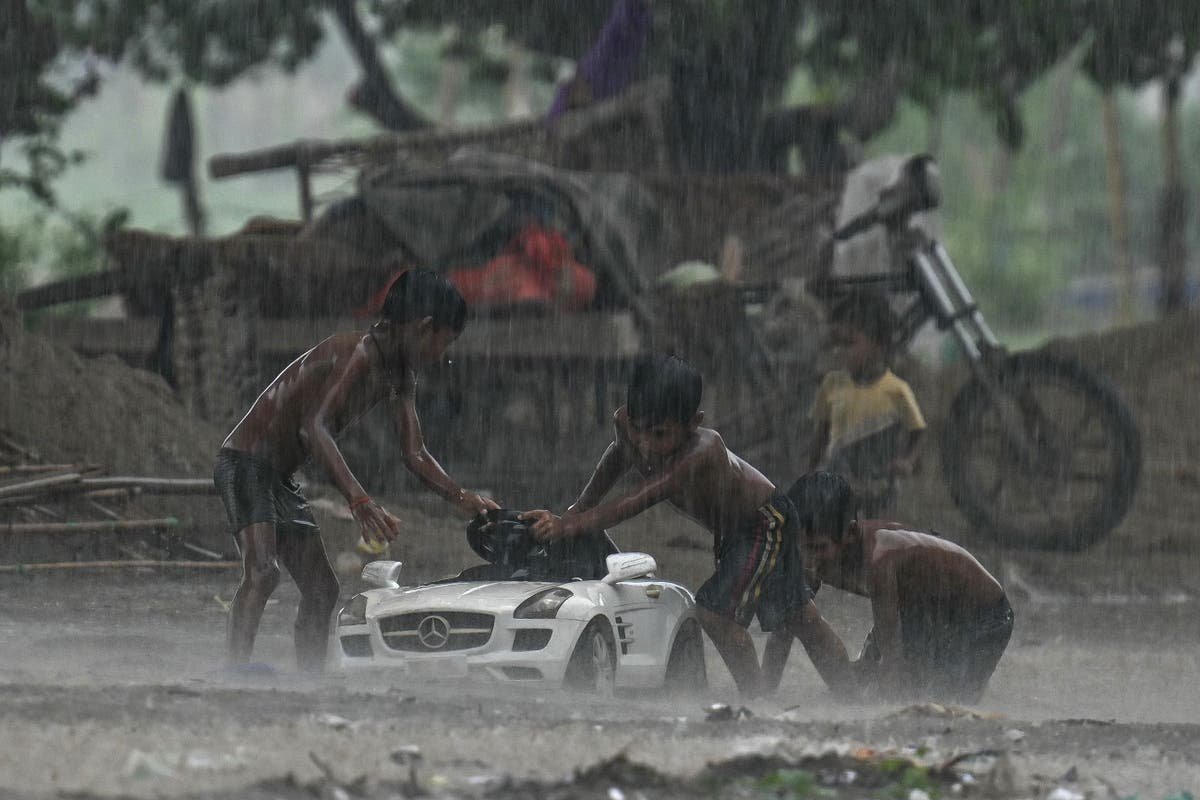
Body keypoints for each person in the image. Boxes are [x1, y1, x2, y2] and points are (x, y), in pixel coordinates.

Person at [213, 269, 498, 670]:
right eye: (444, 343)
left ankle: (309, 679)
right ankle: (235, 673)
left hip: (278, 477)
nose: (442, 355)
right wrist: (359, 500)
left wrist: (461, 497)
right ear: (423, 328)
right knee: (262, 572)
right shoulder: (358, 353)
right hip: (244, 464)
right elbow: (313, 427)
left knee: (322, 589)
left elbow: (414, 452)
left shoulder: (401, 374)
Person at [521, 354, 851, 697]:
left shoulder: (702, 451)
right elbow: (618, 457)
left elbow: (638, 498)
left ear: (694, 423)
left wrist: (570, 526)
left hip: (764, 521)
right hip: (732, 532)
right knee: (799, 616)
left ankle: (758, 701)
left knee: (715, 611)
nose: (646, 445)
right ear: (628, 416)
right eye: (639, 430)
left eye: (660, 434)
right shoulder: (626, 424)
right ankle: (847, 693)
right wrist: (575, 511)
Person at [763, 472, 1013, 702]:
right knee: (863, 673)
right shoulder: (816, 557)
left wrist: (878, 716)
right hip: (922, 608)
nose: (808, 560)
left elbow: (893, 658)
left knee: (946, 699)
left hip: (986, 616)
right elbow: (788, 622)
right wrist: (763, 693)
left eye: (818, 548)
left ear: (850, 533)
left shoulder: (880, 558)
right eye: (801, 548)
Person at [808, 290, 926, 516]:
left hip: (879, 488)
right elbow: (820, 435)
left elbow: (918, 434)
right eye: (838, 344)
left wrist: (908, 462)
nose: (841, 352)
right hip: (839, 486)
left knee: (874, 537)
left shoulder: (897, 391)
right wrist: (810, 476)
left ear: (878, 344)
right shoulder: (832, 385)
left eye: (850, 343)